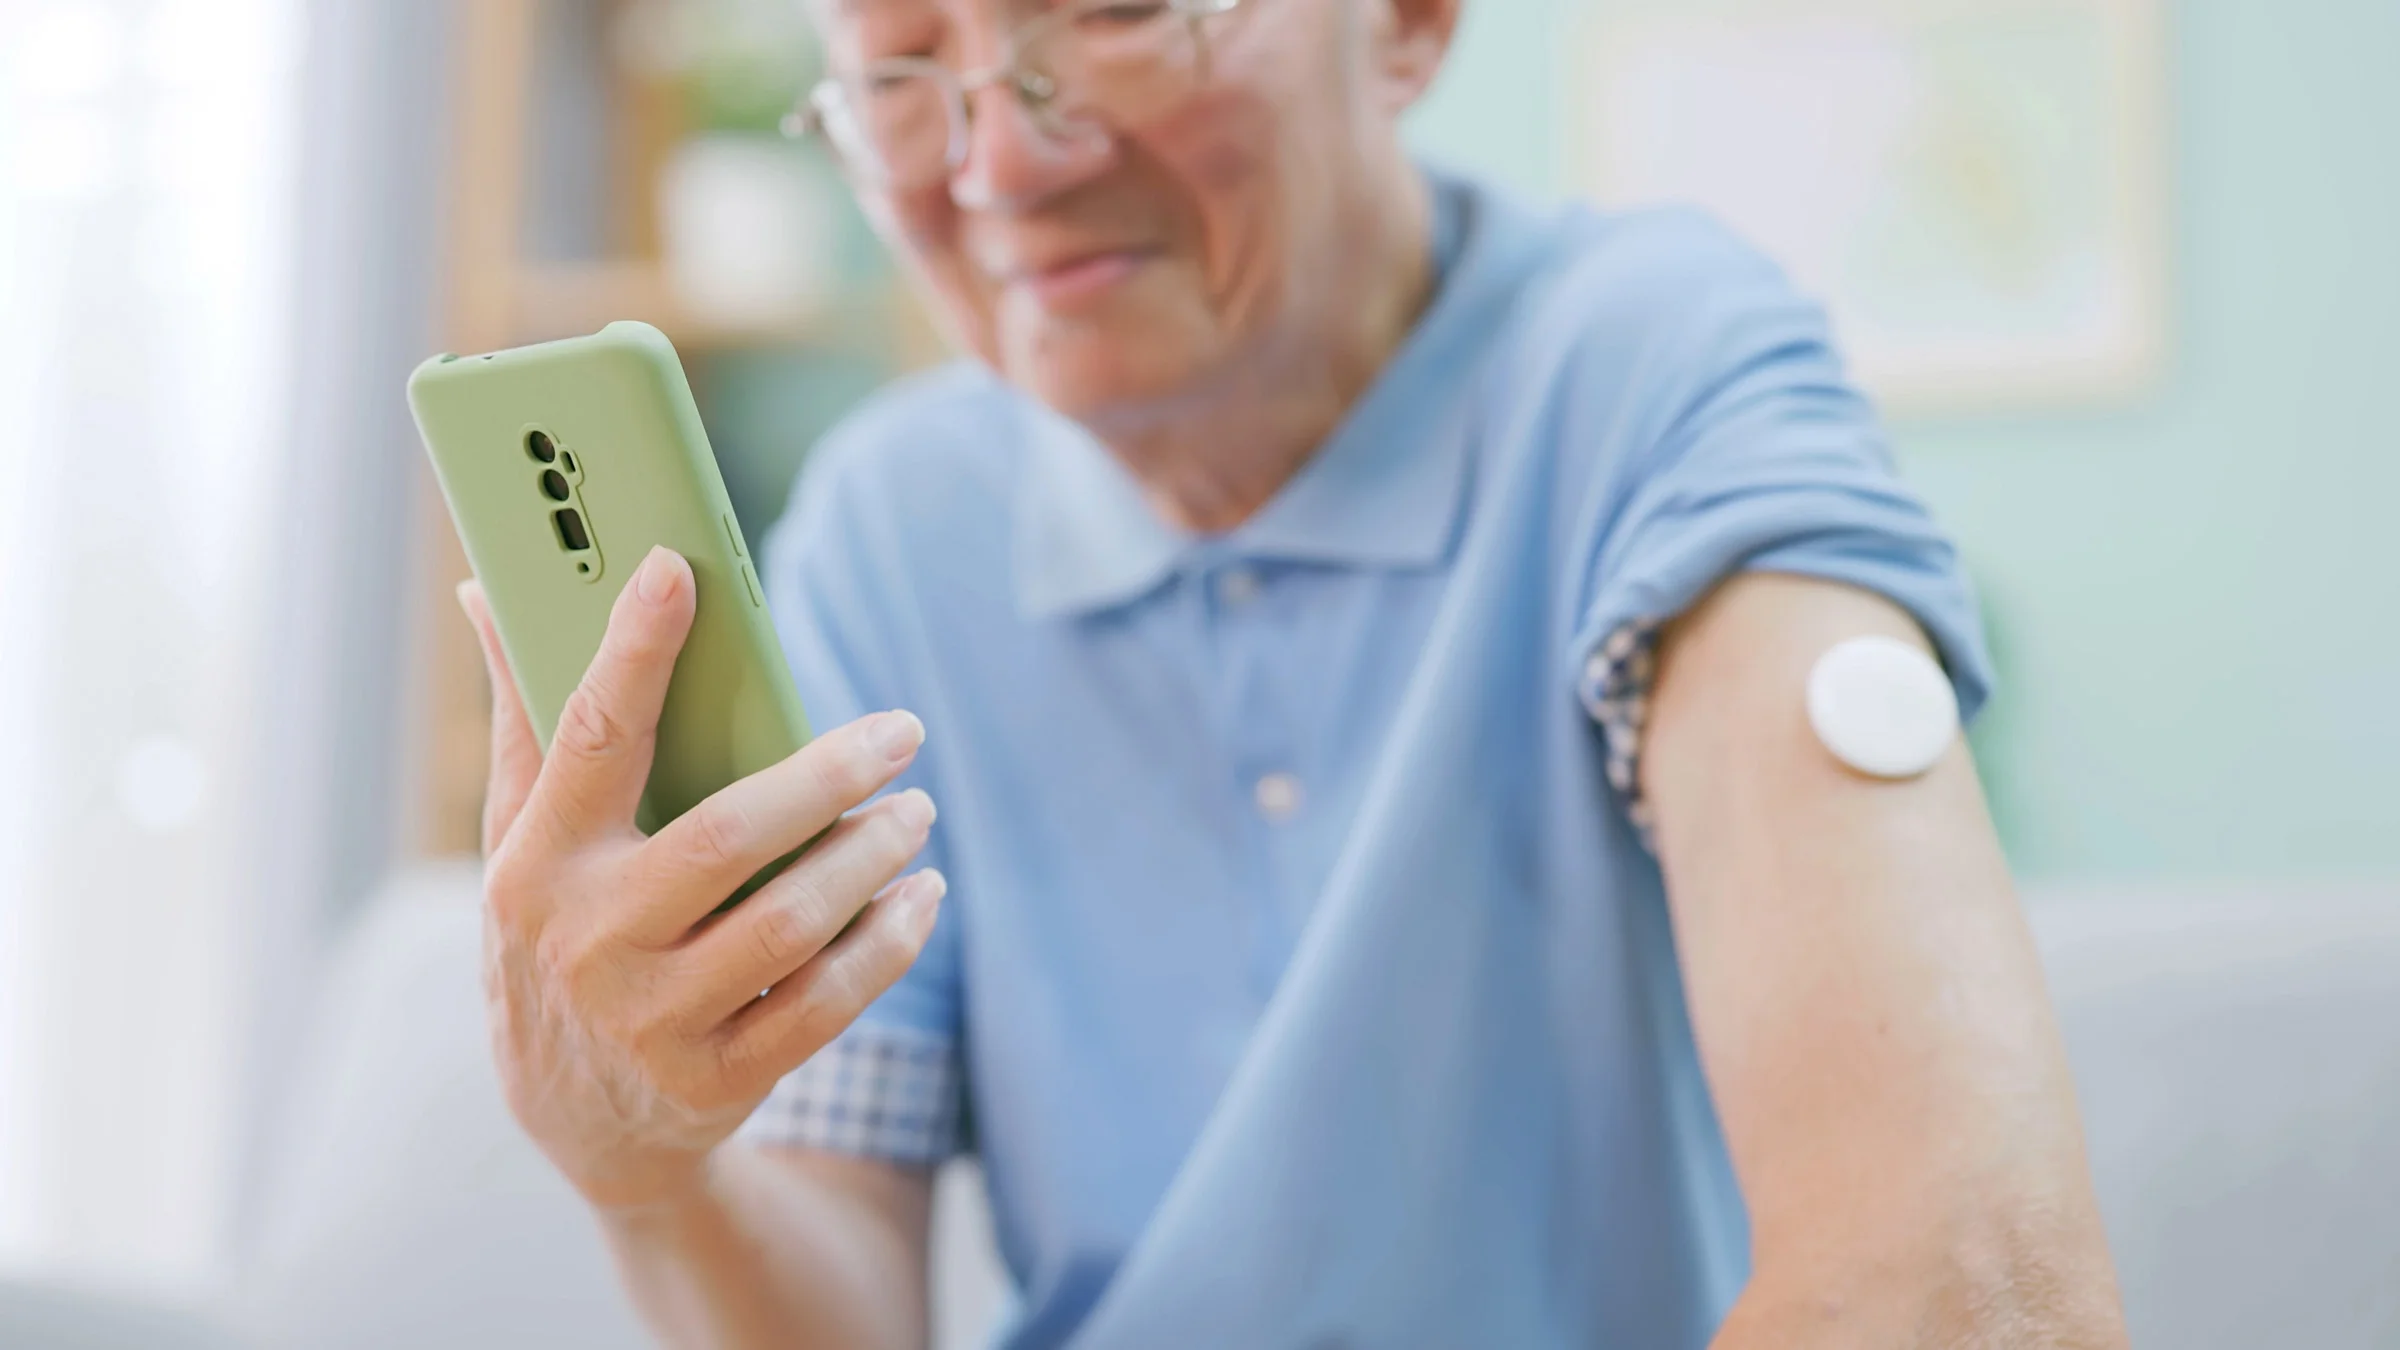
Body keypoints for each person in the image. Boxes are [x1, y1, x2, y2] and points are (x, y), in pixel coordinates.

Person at [452, 0, 2130, 1345]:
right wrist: (643, 1167)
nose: (1004, 164)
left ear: (1405, 23)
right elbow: (842, 1297)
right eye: (897, 68)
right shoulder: (896, 531)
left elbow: (1964, 1292)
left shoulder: (1656, 369)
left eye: (1114, 16)